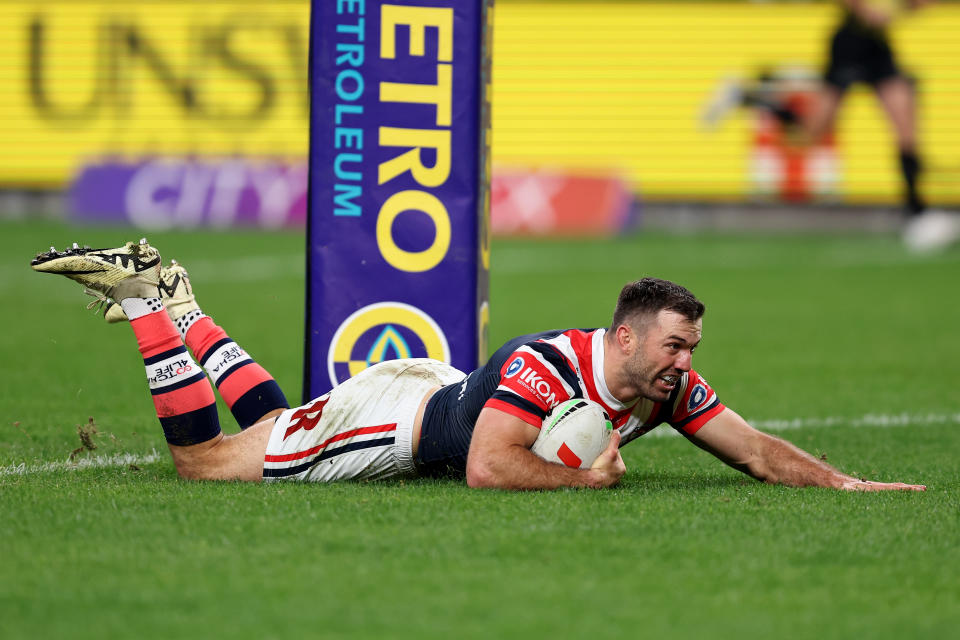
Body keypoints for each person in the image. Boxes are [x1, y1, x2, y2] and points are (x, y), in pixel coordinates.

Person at [31, 239, 925, 492]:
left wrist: (845, 484)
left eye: (691, 346)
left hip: (430, 387)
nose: (687, 362)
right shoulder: (549, 367)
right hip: (393, 425)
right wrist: (585, 486)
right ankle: (152, 304)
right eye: (674, 344)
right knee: (203, 463)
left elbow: (756, 447)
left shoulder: (664, 384)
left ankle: (183, 303)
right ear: (622, 338)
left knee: (274, 427)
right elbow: (489, 468)